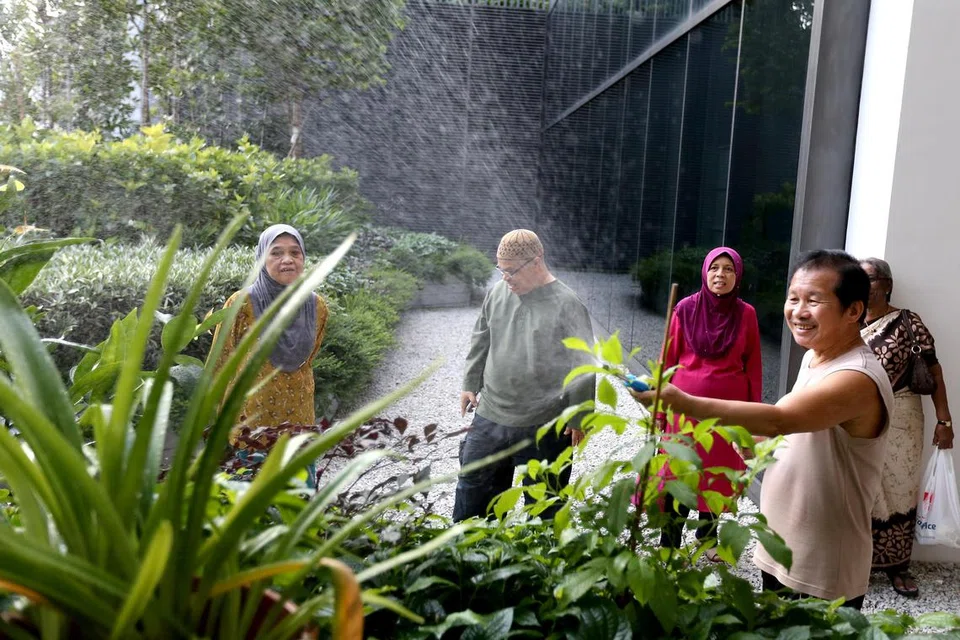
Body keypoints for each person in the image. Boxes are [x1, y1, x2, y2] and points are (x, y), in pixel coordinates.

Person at [633, 250, 893, 610]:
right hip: (779, 548)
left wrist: (683, 403)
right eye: (794, 298)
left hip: (822, 564)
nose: (799, 311)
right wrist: (753, 444)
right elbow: (796, 435)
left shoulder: (855, 377)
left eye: (814, 300)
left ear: (853, 310)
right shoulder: (816, 356)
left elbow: (778, 420)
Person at [453, 229, 595, 522]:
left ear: (536, 262)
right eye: (500, 270)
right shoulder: (498, 293)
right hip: (492, 413)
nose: (505, 278)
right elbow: (481, 338)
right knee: (473, 494)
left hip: (545, 421)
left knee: (544, 504)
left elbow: (582, 363)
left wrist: (579, 416)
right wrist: (470, 383)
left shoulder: (568, 304)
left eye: (511, 271)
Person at [657, 247, 763, 559]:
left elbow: (753, 365)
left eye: (728, 269)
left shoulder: (747, 314)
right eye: (714, 268)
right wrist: (661, 410)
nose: (720, 275)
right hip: (683, 408)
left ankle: (708, 537)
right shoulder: (685, 308)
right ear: (705, 272)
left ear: (737, 275)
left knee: (715, 473)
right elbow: (669, 360)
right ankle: (670, 542)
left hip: (726, 411)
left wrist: (752, 418)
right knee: (678, 471)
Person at [859, 257, 954, 599]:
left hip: (903, 420)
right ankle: (857, 562)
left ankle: (898, 567)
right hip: (859, 420)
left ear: (886, 283)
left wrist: (945, 420)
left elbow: (935, 371)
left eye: (868, 278)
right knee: (860, 489)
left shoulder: (908, 321)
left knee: (899, 490)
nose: (863, 284)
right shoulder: (847, 320)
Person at [209, 224, 329, 469]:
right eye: (276, 253)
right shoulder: (242, 304)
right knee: (252, 502)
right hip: (252, 429)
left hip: (299, 423)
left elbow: (309, 357)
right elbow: (220, 362)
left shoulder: (317, 306)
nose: (287, 260)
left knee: (298, 501)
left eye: (295, 253)